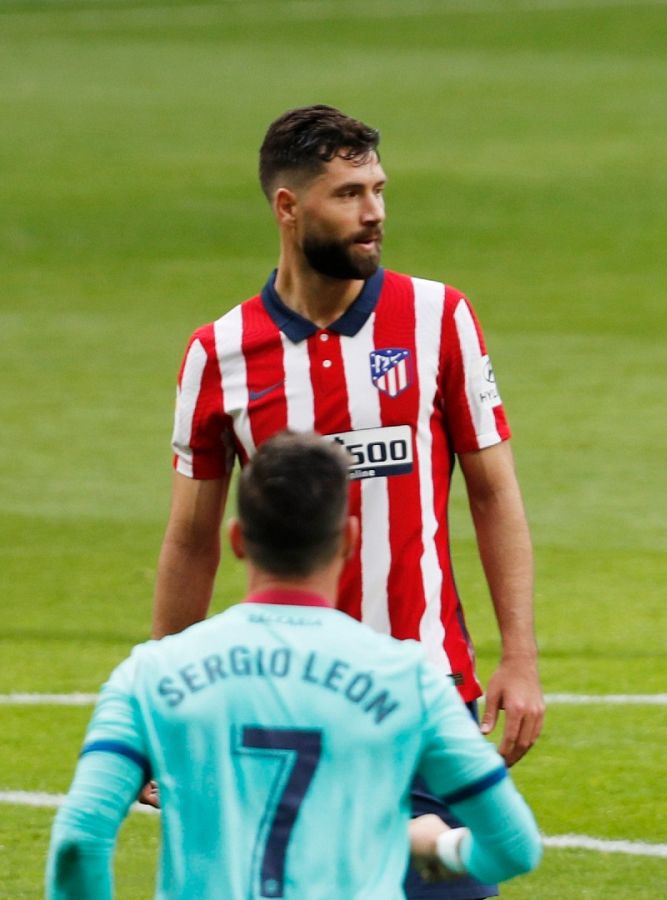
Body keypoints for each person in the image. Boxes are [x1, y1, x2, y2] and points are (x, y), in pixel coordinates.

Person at [153, 105, 542, 900]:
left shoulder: (438, 318)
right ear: (287, 207)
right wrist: (168, 702)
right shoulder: (218, 354)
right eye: (348, 194)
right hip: (285, 704)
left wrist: (520, 656)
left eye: (378, 190)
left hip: (428, 691)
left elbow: (494, 492)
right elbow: (192, 540)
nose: (375, 213)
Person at [47, 434, 542, 898]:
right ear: (348, 539)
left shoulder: (151, 675)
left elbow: (79, 837)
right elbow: (514, 847)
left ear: (238, 539)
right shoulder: (408, 680)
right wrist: (439, 847)